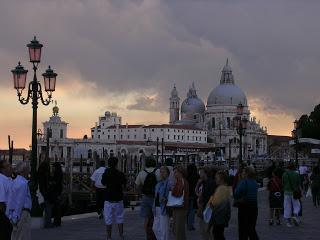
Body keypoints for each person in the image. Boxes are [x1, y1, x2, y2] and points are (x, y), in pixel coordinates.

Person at [101, 157, 126, 240]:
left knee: (108, 218)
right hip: (118, 198)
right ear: (116, 164)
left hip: (108, 198)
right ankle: (121, 235)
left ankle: (109, 236)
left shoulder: (106, 173)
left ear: (108, 163)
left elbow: (103, 183)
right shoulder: (120, 173)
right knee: (120, 217)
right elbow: (124, 183)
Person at [135, 156, 160, 240]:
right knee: (155, 217)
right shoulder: (158, 172)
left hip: (145, 197)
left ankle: (148, 236)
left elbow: (137, 186)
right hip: (156, 198)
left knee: (146, 218)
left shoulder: (142, 173)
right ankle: (155, 235)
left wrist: (141, 193)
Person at [234, 166, 259, 240]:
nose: (242, 173)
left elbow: (236, 194)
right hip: (254, 207)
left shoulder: (243, 182)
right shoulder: (254, 182)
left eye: (243, 172)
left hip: (244, 207)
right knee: (251, 229)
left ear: (247, 173)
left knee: (243, 229)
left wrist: (239, 182)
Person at [9, 162, 32, 240]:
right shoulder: (23, 184)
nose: (29, 170)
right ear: (23, 170)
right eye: (28, 169)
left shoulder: (14, 182)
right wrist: (15, 218)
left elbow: (11, 200)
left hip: (16, 213)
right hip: (23, 214)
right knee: (23, 236)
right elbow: (20, 202)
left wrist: (11, 216)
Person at [208, 171, 231, 240]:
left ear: (222, 179)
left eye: (216, 178)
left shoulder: (221, 189)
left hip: (219, 217)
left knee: (217, 234)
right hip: (222, 217)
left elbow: (216, 204)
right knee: (219, 234)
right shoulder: (224, 188)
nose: (215, 180)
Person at [195, 167, 216, 240]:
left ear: (205, 173)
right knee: (202, 229)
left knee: (206, 229)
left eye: (201, 172)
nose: (200, 174)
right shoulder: (202, 182)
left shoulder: (210, 183)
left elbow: (211, 195)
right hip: (202, 207)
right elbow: (197, 193)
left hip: (207, 207)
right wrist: (198, 184)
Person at [152, 166, 171, 240]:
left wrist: (166, 199)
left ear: (168, 173)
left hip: (164, 208)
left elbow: (172, 195)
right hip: (156, 208)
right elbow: (155, 196)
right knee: (155, 228)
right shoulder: (158, 183)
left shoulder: (169, 183)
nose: (162, 173)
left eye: (164, 172)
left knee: (164, 230)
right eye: (161, 172)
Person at [171, 165, 189, 240]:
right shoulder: (180, 181)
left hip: (180, 207)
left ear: (180, 173)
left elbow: (178, 193)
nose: (174, 174)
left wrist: (173, 187)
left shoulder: (182, 181)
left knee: (178, 229)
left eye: (175, 172)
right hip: (177, 206)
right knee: (176, 228)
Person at [282, 162, 302, 227]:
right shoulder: (296, 174)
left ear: (287, 167)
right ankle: (295, 215)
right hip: (294, 192)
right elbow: (299, 184)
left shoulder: (284, 174)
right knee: (296, 205)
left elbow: (283, 184)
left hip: (287, 192)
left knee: (287, 206)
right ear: (294, 167)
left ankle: (288, 222)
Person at [38, 160, 55, 228]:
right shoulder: (46, 174)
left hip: (43, 192)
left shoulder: (40, 173)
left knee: (46, 207)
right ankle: (48, 223)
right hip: (47, 193)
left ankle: (47, 222)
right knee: (48, 208)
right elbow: (48, 183)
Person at [0, 160, 13, 240]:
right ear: (2, 169)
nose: (11, 167)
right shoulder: (1, 181)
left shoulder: (8, 179)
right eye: (8, 166)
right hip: (5, 218)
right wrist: (7, 217)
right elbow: (1, 202)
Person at [186, 164, 199, 231]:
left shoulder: (186, 176)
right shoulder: (197, 176)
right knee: (192, 211)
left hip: (187, 195)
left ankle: (186, 223)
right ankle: (190, 225)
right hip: (194, 195)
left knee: (187, 210)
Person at [52, 162, 63, 227]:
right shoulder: (59, 173)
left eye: (53, 167)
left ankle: (57, 221)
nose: (52, 168)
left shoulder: (56, 173)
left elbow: (56, 182)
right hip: (58, 190)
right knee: (57, 206)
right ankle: (57, 221)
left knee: (57, 206)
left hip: (57, 191)